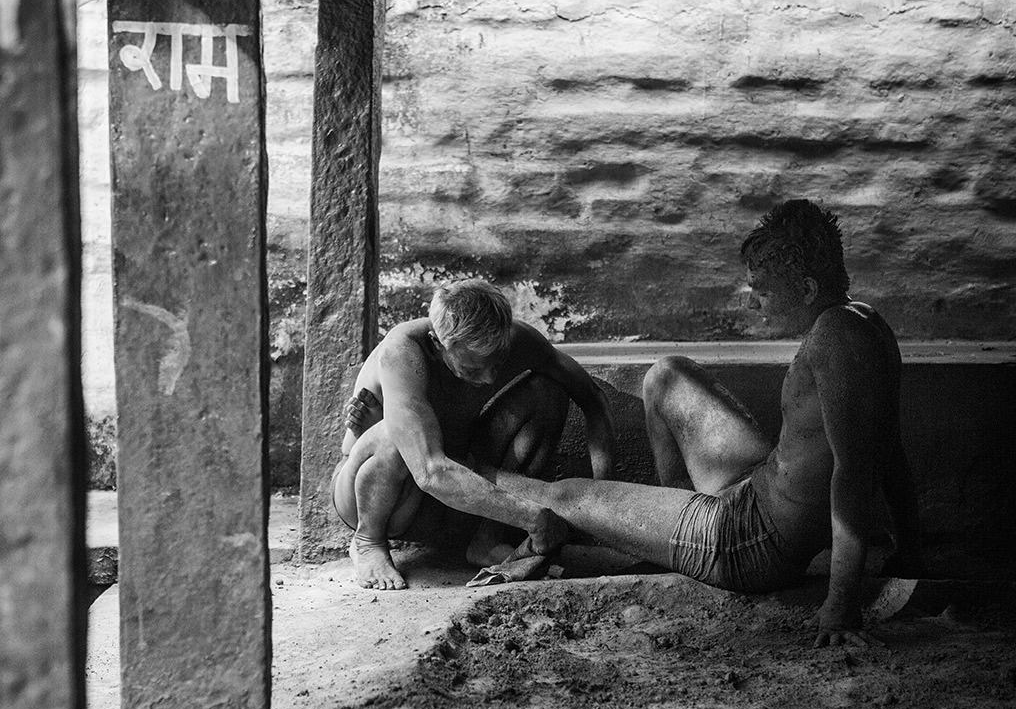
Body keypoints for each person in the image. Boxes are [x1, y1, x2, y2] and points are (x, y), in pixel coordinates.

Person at [479, 200, 921, 647]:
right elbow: (893, 451)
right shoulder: (867, 323)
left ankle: (456, 474)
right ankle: (675, 537)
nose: (753, 303)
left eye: (763, 291)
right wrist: (911, 550)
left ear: (807, 288)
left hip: (747, 543)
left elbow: (855, 475)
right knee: (667, 375)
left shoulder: (833, 340)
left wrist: (841, 605)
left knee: (567, 495)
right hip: (752, 490)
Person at [332, 279, 618, 591]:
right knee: (394, 436)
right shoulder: (402, 354)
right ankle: (367, 542)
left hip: (452, 488)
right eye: (472, 370)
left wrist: (603, 493)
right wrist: (532, 517)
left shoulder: (517, 339)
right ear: (437, 344)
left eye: (497, 362)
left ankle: (487, 538)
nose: (490, 378)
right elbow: (430, 471)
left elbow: (594, 399)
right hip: (385, 498)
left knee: (547, 393)